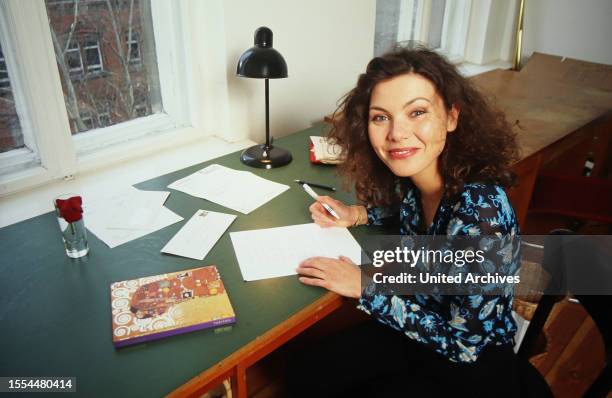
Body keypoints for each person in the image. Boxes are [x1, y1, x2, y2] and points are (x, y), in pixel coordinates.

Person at [289, 48, 524, 397]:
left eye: (417, 112)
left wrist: (368, 289)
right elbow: (410, 208)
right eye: (380, 117)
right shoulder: (424, 180)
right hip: (418, 318)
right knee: (307, 373)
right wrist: (359, 214)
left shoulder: (481, 213)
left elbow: (465, 346)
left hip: (468, 367)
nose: (397, 133)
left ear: (451, 118)